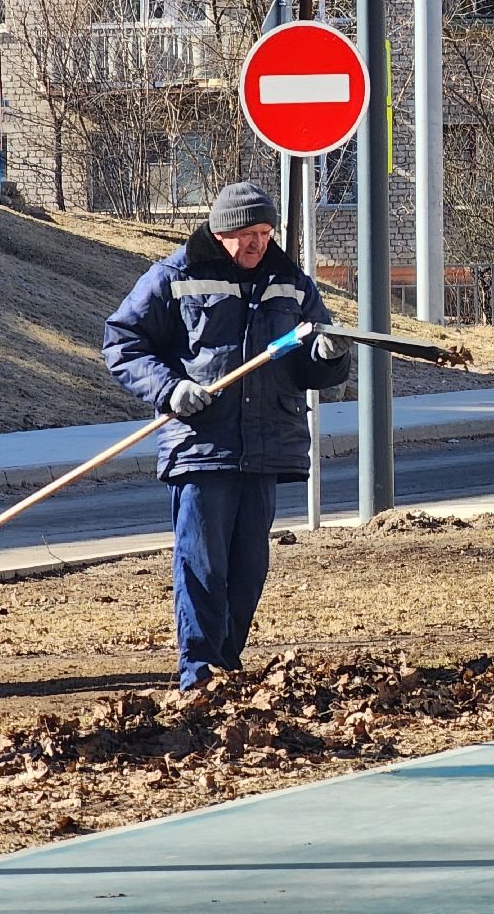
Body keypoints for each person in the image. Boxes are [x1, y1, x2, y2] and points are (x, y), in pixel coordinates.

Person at [103, 182, 351, 691]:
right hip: (200, 446)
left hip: (265, 446)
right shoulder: (175, 276)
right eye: (247, 233)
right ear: (220, 232)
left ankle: (226, 666)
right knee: (202, 565)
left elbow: (312, 363)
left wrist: (330, 357)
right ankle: (198, 674)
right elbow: (123, 343)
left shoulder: (291, 283)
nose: (258, 243)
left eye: (265, 232)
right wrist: (170, 390)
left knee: (249, 568)